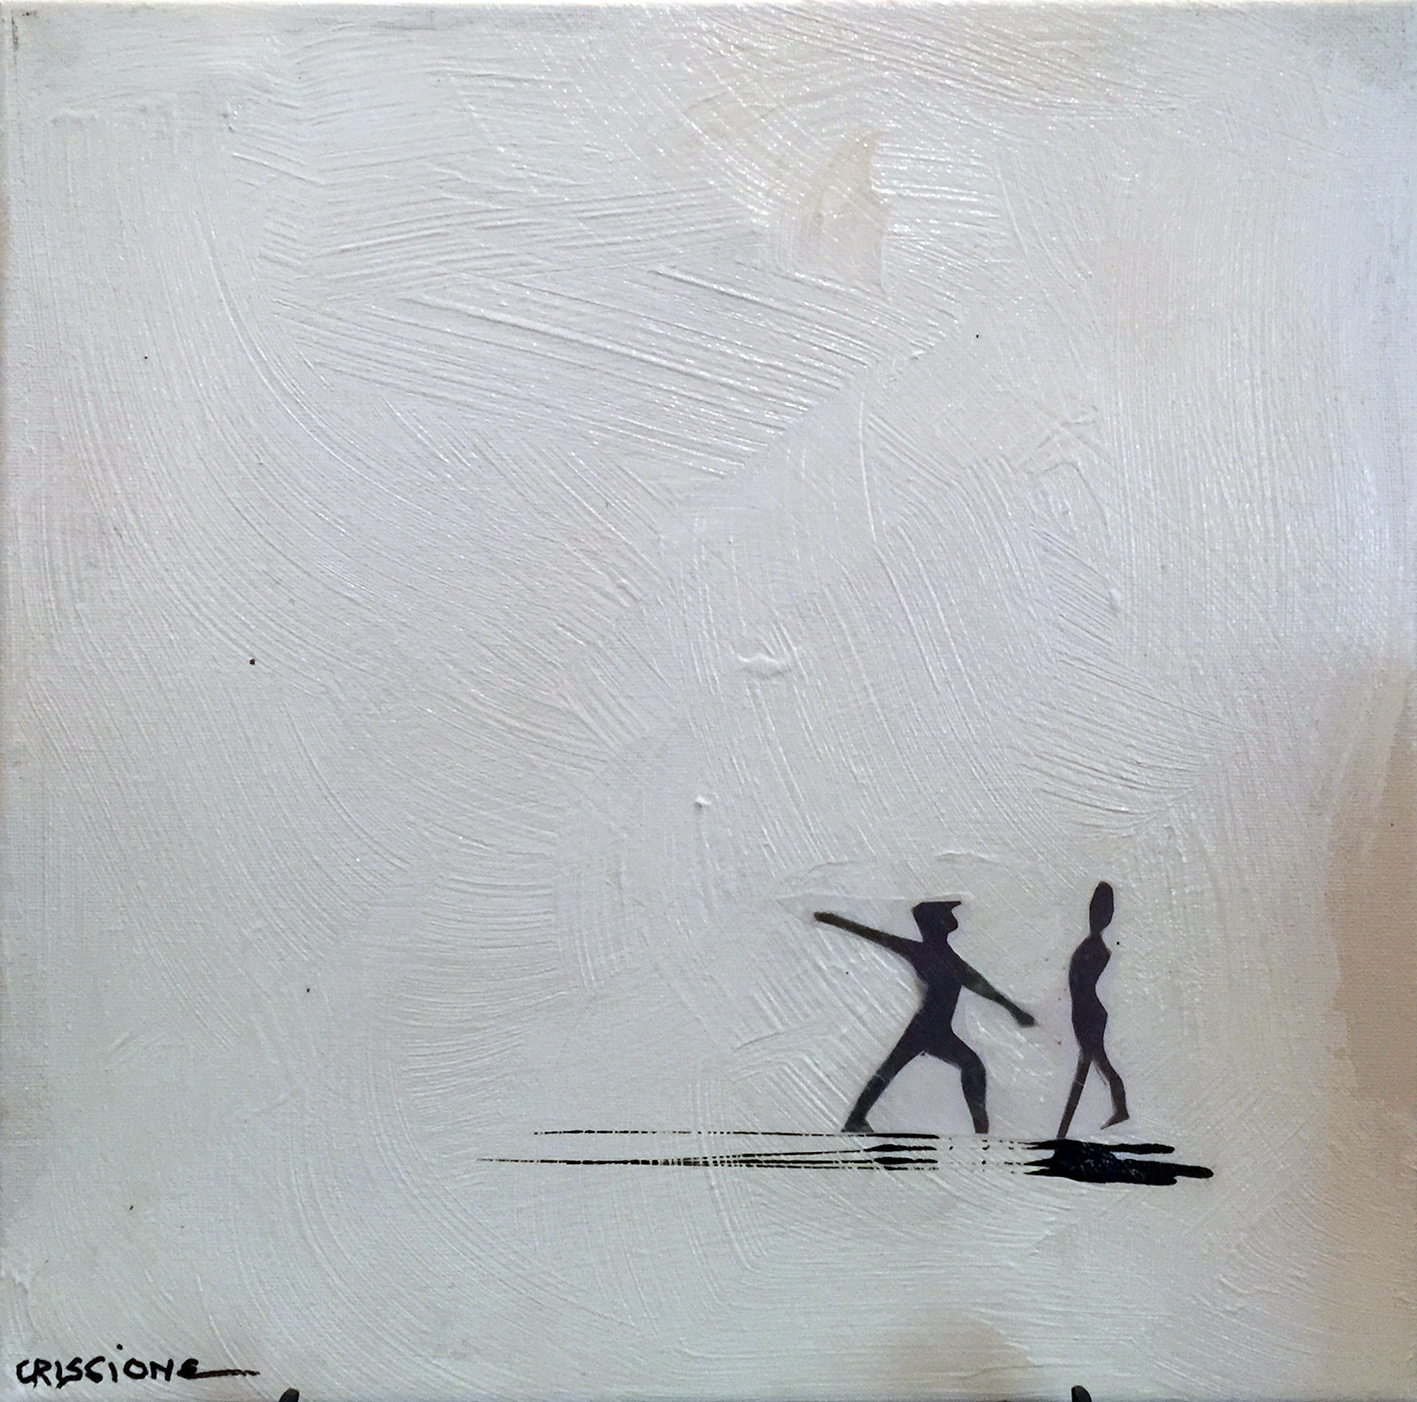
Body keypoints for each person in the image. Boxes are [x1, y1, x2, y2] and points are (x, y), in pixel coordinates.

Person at [814, 902, 1035, 1134]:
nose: (952, 919)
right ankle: (980, 1128)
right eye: (946, 915)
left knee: (956, 1066)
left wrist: (1014, 1010)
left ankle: (856, 1119)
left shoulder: (944, 957)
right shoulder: (928, 954)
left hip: (936, 1029)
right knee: (901, 1069)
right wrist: (833, 920)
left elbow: (980, 985)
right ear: (936, 924)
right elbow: (874, 935)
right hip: (926, 1028)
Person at [1056, 881, 1130, 1138]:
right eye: (1093, 909)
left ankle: (1063, 1131)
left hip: (1089, 1014)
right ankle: (1120, 1109)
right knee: (1098, 1065)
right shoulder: (1093, 947)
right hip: (1085, 1013)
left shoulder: (1097, 950)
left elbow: (1081, 985)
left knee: (1086, 1068)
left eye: (1100, 910)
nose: (1094, 915)